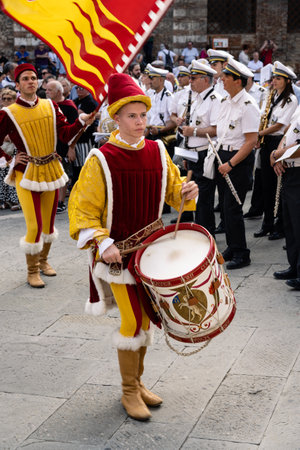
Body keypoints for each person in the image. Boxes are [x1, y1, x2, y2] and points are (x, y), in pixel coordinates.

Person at [68, 73, 198, 421]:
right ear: (116, 118)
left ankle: (137, 383)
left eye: (143, 115)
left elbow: (173, 192)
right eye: (132, 116)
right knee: (132, 322)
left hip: (152, 253)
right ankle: (128, 391)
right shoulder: (101, 158)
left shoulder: (158, 150)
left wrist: (186, 192)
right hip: (117, 257)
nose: (140, 122)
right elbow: (82, 209)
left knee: (144, 321)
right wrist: (102, 241)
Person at [0, 63, 95, 288]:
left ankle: (43, 261)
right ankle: (31, 271)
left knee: (49, 226)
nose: (30, 81)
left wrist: (81, 123)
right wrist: (10, 159)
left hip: (51, 170)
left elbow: (65, 134)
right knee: (34, 226)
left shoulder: (51, 106)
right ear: (17, 84)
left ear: (38, 82)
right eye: (25, 78)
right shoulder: (8, 113)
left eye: (33, 78)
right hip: (26, 173)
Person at [215, 58, 260, 269]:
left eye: (226, 76)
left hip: (237, 162)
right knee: (226, 207)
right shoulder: (227, 101)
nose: (222, 79)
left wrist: (230, 164)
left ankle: (242, 253)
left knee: (234, 207)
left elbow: (251, 141)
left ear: (237, 81)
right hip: (224, 156)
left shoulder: (248, 105)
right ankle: (233, 246)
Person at [170, 60, 221, 234]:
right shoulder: (196, 97)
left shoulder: (215, 99)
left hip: (205, 154)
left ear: (205, 80)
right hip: (192, 154)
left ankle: (207, 236)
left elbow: (215, 130)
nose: (189, 81)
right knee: (195, 199)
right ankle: (200, 233)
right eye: (190, 78)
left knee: (204, 201)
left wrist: (193, 131)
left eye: (193, 78)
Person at [254, 62, 298, 239]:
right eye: (274, 78)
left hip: (279, 142)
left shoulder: (291, 100)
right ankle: (267, 223)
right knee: (266, 185)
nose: (274, 81)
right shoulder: (271, 96)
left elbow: (281, 125)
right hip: (266, 142)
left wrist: (259, 133)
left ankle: (279, 226)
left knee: (278, 185)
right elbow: (264, 117)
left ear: (287, 81)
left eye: (278, 78)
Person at [271, 110, 300, 290]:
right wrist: (277, 154)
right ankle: (295, 266)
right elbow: (289, 132)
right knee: (290, 224)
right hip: (290, 170)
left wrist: (277, 154)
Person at [45, 80, 78, 213]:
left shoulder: (69, 106)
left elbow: (75, 129)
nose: (46, 92)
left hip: (64, 145)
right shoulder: (46, 106)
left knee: (62, 173)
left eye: (50, 90)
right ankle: (52, 201)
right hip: (50, 144)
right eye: (46, 90)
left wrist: (71, 148)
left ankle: (61, 202)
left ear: (59, 92)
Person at [145, 64, 176, 157]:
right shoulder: (152, 95)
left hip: (164, 136)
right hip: (152, 135)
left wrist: (159, 131)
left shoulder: (168, 97)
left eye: (152, 78)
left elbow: (174, 122)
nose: (150, 81)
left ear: (161, 80)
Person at [73, 86, 98, 185]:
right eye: (77, 88)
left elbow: (93, 119)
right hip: (76, 137)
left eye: (81, 88)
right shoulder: (75, 101)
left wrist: (84, 115)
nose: (78, 90)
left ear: (88, 89)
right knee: (76, 166)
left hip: (86, 138)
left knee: (86, 165)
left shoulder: (91, 102)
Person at [0, 88, 20, 211]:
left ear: (14, 100)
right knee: (2, 173)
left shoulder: (17, 112)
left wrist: (11, 136)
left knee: (14, 172)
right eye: (4, 98)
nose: (6, 101)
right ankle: (5, 200)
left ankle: (15, 200)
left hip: (15, 146)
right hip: (3, 146)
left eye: (9, 99)